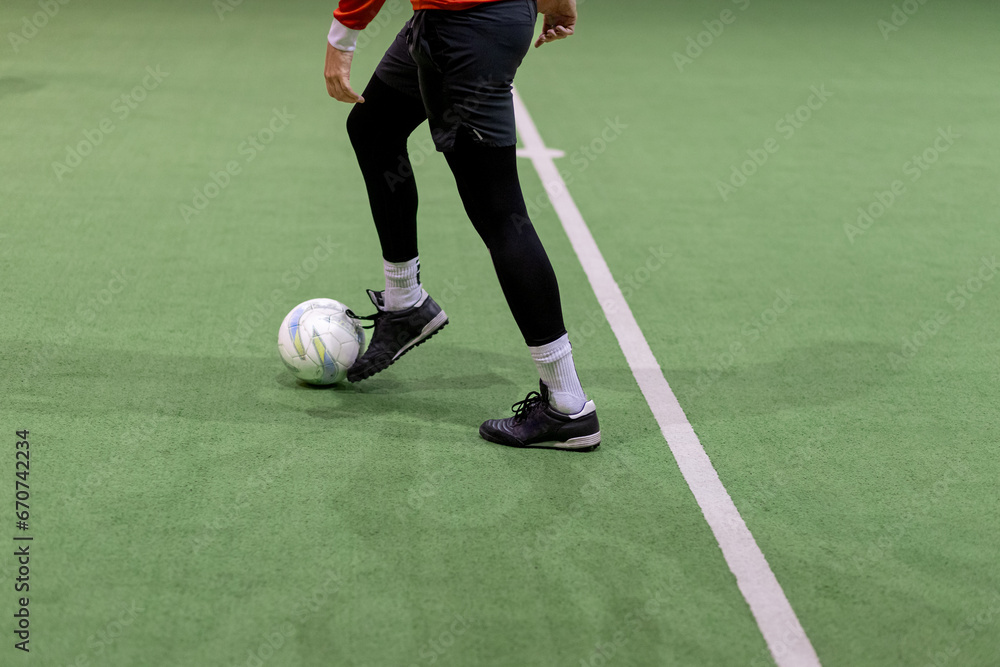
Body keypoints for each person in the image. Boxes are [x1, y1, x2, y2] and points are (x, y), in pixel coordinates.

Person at [324, 0, 600, 451]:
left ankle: (567, 405)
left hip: (463, 30)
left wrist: (342, 37)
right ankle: (405, 302)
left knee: (500, 214)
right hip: (460, 21)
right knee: (374, 128)